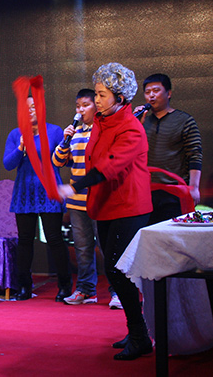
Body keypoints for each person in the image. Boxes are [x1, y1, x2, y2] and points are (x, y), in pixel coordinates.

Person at [58, 62, 153, 360]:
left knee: (117, 270)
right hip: (107, 205)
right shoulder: (102, 120)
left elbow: (108, 166)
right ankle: (137, 332)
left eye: (101, 95)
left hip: (128, 206)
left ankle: (140, 335)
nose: (96, 100)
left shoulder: (131, 128)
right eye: (96, 94)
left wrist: (74, 186)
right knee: (115, 269)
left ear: (119, 97)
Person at [53, 88, 121, 309]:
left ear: (96, 106)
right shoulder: (75, 132)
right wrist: (65, 141)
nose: (80, 110)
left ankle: (117, 291)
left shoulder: (103, 130)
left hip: (100, 199)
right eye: (78, 106)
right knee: (83, 248)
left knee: (107, 248)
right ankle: (86, 289)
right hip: (76, 201)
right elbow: (58, 161)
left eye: (85, 105)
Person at [3, 96, 71, 302]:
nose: (30, 111)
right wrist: (20, 148)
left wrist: (66, 145)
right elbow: (8, 164)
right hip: (24, 192)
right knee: (25, 240)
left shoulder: (55, 131)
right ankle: (24, 286)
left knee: (54, 239)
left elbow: (64, 161)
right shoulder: (16, 134)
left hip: (49, 191)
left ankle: (65, 286)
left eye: (34, 107)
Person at [134, 74, 202, 225]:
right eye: (147, 92)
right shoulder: (141, 122)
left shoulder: (184, 120)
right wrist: (135, 125)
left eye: (156, 90)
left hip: (174, 191)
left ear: (168, 93)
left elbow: (194, 155)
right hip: (146, 191)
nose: (151, 95)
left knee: (172, 234)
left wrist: (194, 187)